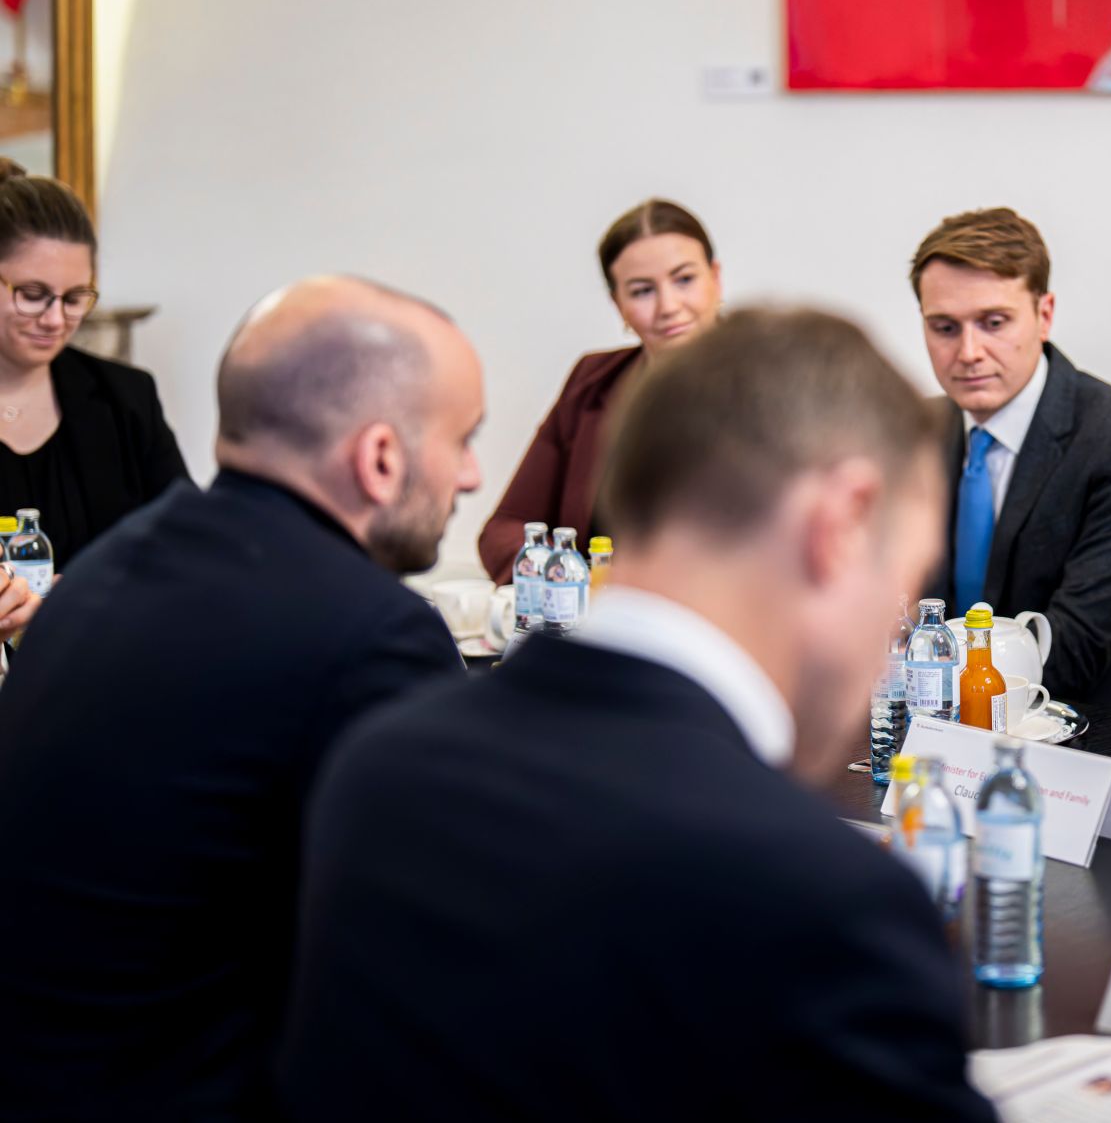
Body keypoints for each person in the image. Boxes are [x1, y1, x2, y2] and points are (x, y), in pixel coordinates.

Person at [278, 308, 997, 1122]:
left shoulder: (377, 767)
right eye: (902, 577)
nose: (888, 639)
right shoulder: (824, 897)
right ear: (839, 525)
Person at [0, 276, 482, 1118]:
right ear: (379, 457)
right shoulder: (372, 634)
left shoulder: (99, 577)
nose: (472, 475)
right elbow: (442, 948)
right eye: (462, 439)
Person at [912, 207, 1111, 720]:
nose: (969, 351)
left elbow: (1074, 649)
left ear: (1044, 315)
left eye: (994, 322)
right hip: (952, 731)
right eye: (944, 327)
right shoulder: (911, 435)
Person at [477, 197, 721, 581]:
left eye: (684, 279)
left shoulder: (773, 384)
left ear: (716, 278)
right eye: (642, 291)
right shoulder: (592, 382)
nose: (669, 306)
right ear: (618, 304)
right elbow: (505, 529)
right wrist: (577, 584)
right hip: (600, 619)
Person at [0, 158, 188, 568]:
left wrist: (83, 600)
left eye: (74, 298)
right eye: (33, 294)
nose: (55, 319)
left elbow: (189, 545)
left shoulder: (126, 399)